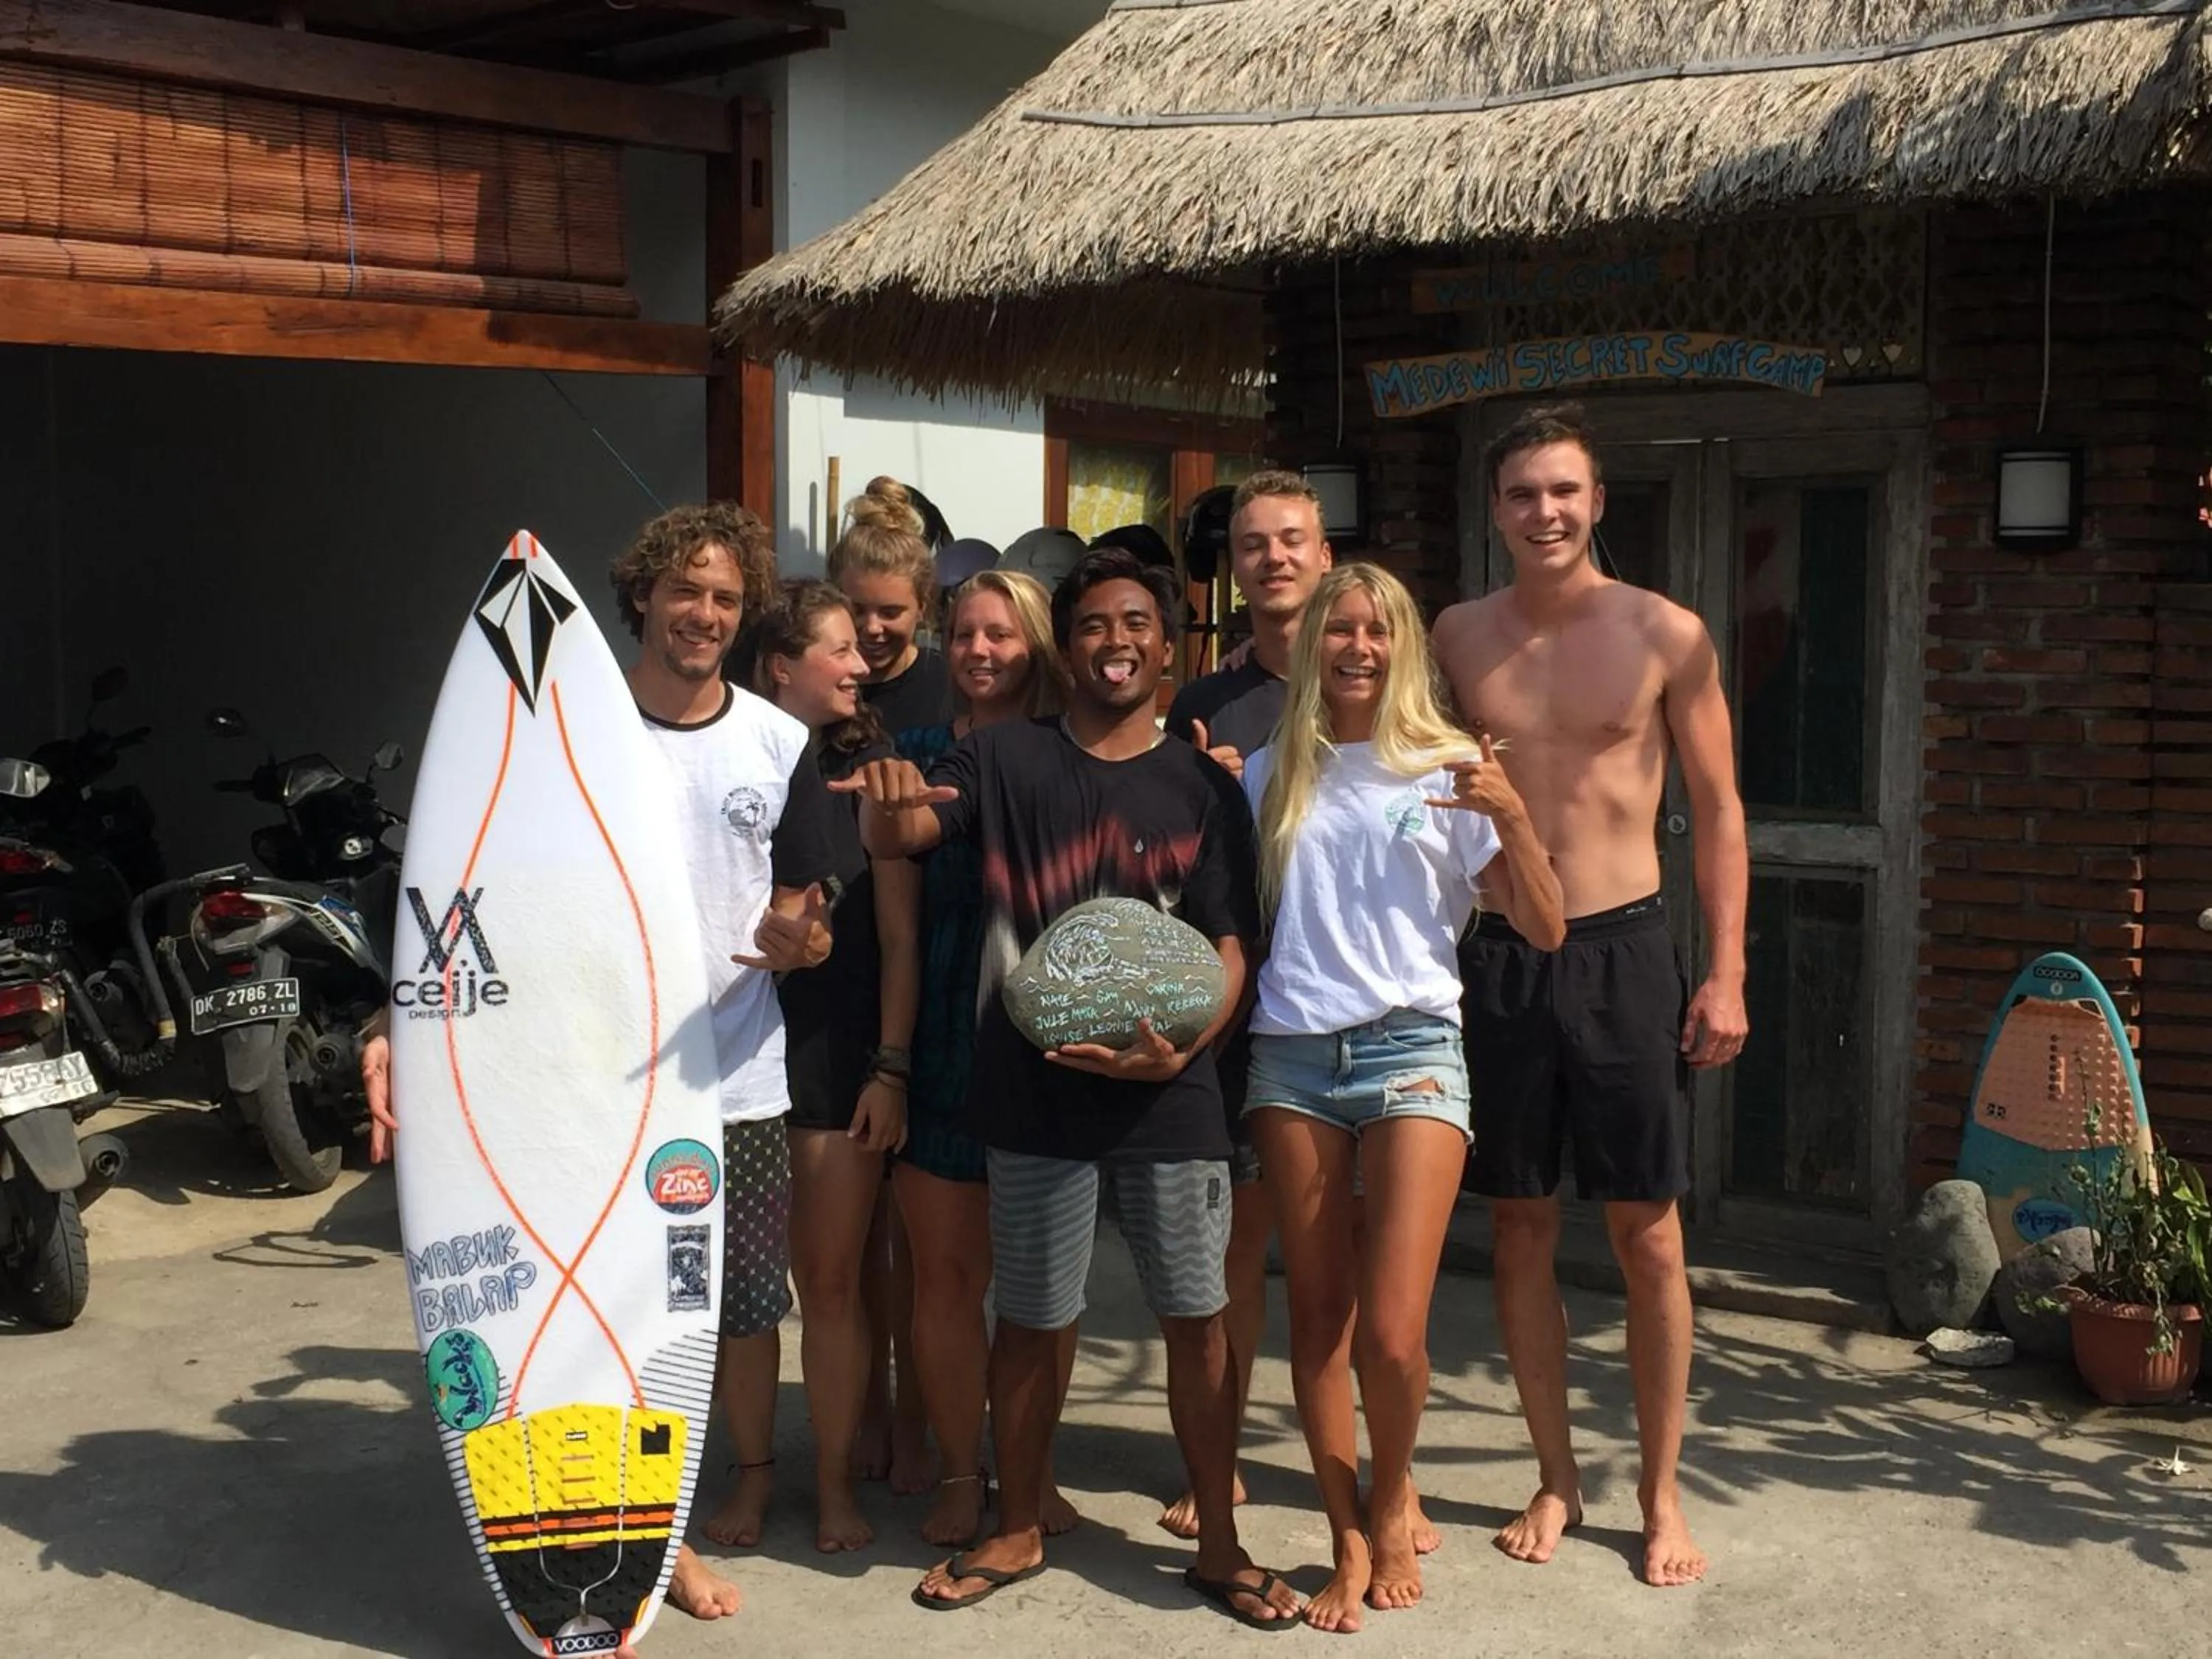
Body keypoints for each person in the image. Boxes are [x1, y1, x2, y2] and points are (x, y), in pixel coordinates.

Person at [362, 501, 838, 1622]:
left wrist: (799, 941)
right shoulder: (559, 730)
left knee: (730, 1306)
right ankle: (648, 1545)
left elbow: (814, 920)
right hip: (574, 1083)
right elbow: (460, 897)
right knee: (604, 1312)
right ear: (643, 600)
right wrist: (398, 1024)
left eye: (725, 596)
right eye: (686, 591)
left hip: (731, 1076)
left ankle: (733, 1486)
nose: (705, 614)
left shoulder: (777, 745)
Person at [835, 548, 1301, 1627]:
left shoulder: (1201, 785)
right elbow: (911, 828)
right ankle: (1018, 1519)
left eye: (1137, 622)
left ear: (1168, 643)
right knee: (1035, 1318)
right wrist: (888, 804)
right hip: (1031, 1083)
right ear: (1071, 643)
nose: (1117, 641)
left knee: (1199, 1315)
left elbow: (1233, 941)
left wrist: (1184, 1044)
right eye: (1094, 624)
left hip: (1169, 1092)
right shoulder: (1003, 759)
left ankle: (1221, 1545)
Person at [1431, 403, 1749, 1590]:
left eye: (1563, 490)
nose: (1545, 512)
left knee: (1647, 1230)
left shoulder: (1666, 632)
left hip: (1627, 947)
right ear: (1496, 508)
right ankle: (1557, 1472)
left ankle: (1661, 1490)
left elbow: (1718, 807)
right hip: (1504, 951)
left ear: (1599, 499)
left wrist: (1727, 970)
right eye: (1522, 493)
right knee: (1517, 1219)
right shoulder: (1458, 635)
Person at [1245, 563, 1563, 1631]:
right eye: (1339, 630)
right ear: (1310, 646)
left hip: (1415, 1048)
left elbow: (1548, 924)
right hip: (1291, 1056)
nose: (1357, 648)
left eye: (1378, 633)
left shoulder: (1450, 766)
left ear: (1406, 648)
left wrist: (1513, 816)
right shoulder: (1265, 772)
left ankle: (1393, 1491)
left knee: (1392, 1331)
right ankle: (1347, 1531)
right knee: (1320, 1319)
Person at [1155, 467, 1329, 1539]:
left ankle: (1358, 1461)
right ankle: (1220, 1461)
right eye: (1255, 543)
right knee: (1235, 1247)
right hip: (1241, 995)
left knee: (1335, 1252)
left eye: (1292, 539)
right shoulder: (1201, 702)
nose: (1273, 557)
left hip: (1336, 999)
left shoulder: (1373, 672)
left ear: (1325, 554)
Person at [892, 569, 1082, 1549]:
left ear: (1035, 644)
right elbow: (890, 858)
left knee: (1047, 1289)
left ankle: (1032, 1476)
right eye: (963, 632)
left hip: (1052, 1047)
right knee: (948, 1278)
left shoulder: (1073, 750)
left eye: (1000, 634)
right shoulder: (917, 752)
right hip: (942, 1042)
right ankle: (963, 1473)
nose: (978, 650)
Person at [755, 581, 919, 1554]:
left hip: (835, 1055)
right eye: (842, 649)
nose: (864, 664)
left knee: (837, 1279)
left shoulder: (875, 768)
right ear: (781, 667)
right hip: (731, 1054)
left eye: (864, 647)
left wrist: (890, 1066)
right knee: (754, 1293)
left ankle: (834, 1483)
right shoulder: (733, 759)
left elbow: (897, 939)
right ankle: (758, 1468)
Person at [835, 477, 957, 738]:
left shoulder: (951, 686)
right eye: (856, 610)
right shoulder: (813, 683)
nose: (872, 627)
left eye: (890, 613)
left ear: (922, 606)